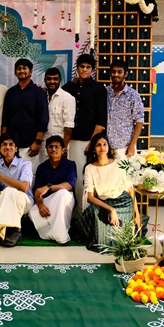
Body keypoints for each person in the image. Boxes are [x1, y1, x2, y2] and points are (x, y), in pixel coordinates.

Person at [73, 133, 141, 252]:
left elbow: (130, 190)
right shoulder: (90, 168)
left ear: (109, 146)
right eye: (98, 145)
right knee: (93, 212)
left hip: (123, 203)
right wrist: (110, 209)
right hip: (103, 204)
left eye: (105, 144)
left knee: (124, 229)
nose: (102, 147)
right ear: (94, 148)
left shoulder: (119, 163)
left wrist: (137, 215)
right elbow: (90, 197)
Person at [62, 54, 107, 216]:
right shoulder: (69, 87)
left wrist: (91, 143)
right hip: (69, 140)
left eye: (88, 67)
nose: (85, 70)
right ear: (77, 68)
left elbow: (101, 119)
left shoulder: (98, 89)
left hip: (88, 141)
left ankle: (83, 215)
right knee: (69, 177)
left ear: (92, 70)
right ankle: (71, 215)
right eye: (82, 66)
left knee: (84, 179)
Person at [0, 133, 33, 247]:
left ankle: (14, 231)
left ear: (16, 148)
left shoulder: (25, 164)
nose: (8, 147)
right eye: (4, 144)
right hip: (3, 200)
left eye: (11, 144)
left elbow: (24, 187)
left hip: (24, 201)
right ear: (0, 148)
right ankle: (3, 231)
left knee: (11, 191)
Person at [1, 58, 49, 172]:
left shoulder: (39, 93)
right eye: (19, 69)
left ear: (30, 72)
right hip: (11, 145)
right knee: (11, 174)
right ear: (15, 72)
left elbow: (43, 119)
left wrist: (37, 142)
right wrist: (3, 141)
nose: (22, 71)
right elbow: (5, 118)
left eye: (24, 68)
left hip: (30, 144)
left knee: (29, 175)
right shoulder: (11, 93)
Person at [29, 135, 77, 244]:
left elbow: (70, 184)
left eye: (57, 147)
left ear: (63, 150)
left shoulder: (70, 164)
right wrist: (40, 205)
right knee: (33, 213)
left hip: (65, 201)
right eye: (50, 147)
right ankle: (53, 234)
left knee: (62, 194)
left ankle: (61, 236)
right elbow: (37, 191)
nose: (53, 149)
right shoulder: (42, 167)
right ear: (46, 150)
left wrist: (49, 187)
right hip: (48, 202)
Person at [106, 59, 144, 159]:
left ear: (125, 74)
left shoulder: (133, 95)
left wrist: (132, 145)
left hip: (125, 148)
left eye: (119, 72)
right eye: (114, 72)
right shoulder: (105, 92)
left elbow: (139, 120)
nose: (116, 75)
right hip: (106, 147)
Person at [40, 67, 76, 163]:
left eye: (55, 79)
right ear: (45, 80)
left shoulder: (67, 98)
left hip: (59, 147)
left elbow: (68, 127)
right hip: (43, 146)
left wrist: (64, 148)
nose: (52, 82)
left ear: (60, 80)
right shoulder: (41, 96)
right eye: (49, 79)